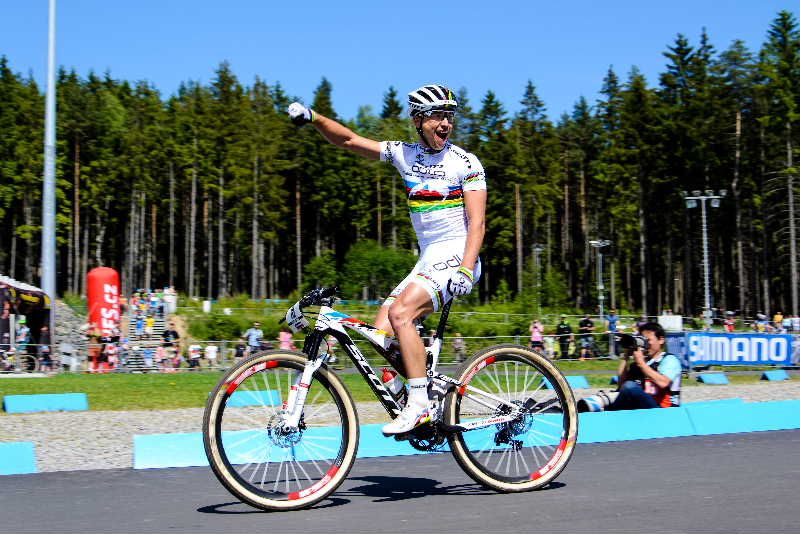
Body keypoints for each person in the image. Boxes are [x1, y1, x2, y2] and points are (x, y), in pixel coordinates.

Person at [288, 83, 486, 435]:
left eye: (449, 116)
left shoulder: (465, 163)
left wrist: (467, 268)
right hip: (428, 259)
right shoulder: (403, 154)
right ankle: (421, 386)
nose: (445, 123)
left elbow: (478, 224)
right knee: (381, 334)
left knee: (401, 313)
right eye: (437, 116)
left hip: (457, 255)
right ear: (417, 119)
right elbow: (348, 140)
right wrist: (313, 117)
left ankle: (420, 404)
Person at [606, 322, 682, 411]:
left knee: (630, 386)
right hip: (645, 405)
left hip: (665, 409)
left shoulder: (669, 360)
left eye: (648, 340)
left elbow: (663, 382)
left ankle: (612, 413)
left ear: (661, 340)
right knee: (620, 393)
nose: (645, 345)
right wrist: (625, 357)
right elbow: (622, 386)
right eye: (642, 340)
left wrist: (641, 364)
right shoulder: (640, 363)